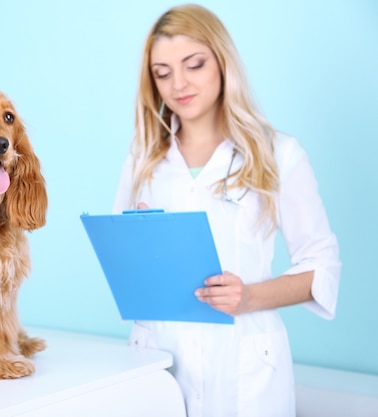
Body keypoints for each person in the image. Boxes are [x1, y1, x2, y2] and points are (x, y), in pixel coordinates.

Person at [112, 4, 341, 417]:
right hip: (158, 360)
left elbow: (322, 268)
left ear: (221, 61)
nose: (178, 83)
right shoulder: (143, 156)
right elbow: (123, 266)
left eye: (193, 65)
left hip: (246, 364)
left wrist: (249, 296)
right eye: (162, 73)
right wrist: (139, 239)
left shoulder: (279, 155)